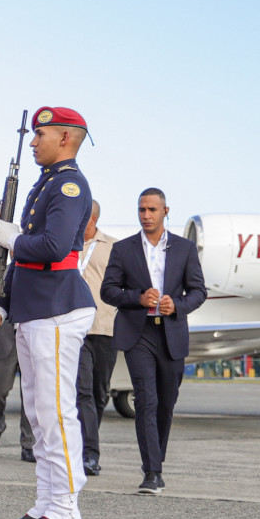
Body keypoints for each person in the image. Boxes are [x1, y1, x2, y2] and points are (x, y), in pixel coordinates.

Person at [0, 107, 96, 519]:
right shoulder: (46, 183)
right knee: (38, 412)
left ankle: (65, 512)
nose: (32, 142)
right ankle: (46, 504)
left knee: (55, 414)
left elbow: (51, 247)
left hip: (56, 308)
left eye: (41, 134)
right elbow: (23, 262)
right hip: (35, 308)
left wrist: (12, 237)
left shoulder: (69, 185)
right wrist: (5, 305)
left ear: (65, 138)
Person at [100, 187, 207, 496]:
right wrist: (137, 297)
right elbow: (108, 291)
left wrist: (178, 305)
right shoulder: (123, 249)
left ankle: (156, 461)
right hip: (139, 333)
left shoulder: (185, 248)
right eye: (141, 210)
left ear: (165, 211)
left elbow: (199, 291)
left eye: (152, 210)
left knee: (165, 404)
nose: (146, 215)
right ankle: (152, 472)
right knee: (146, 400)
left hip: (171, 333)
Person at [78, 201, 118, 476]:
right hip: (75, 330)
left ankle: (88, 441)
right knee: (81, 392)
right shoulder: (66, 246)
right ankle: (89, 453)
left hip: (105, 328)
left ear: (91, 219)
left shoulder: (114, 247)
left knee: (98, 393)